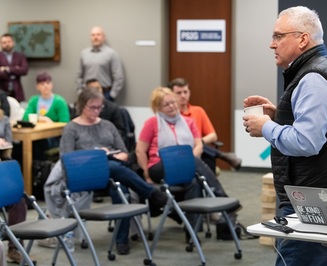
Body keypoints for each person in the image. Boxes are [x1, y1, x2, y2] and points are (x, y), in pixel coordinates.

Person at [243, 6, 327, 266]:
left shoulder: (313, 78)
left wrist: (266, 127)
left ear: (302, 39)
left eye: (278, 36)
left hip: (316, 200)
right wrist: (279, 117)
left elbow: (307, 142)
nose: (271, 44)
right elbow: (321, 131)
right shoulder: (325, 69)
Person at [59, 87, 167, 254]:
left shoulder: (107, 125)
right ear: (81, 106)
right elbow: (67, 160)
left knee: (120, 186)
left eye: (99, 107)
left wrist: (109, 155)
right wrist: (95, 157)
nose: (96, 111)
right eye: (92, 107)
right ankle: (151, 193)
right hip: (84, 174)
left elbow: (125, 153)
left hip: (113, 172)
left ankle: (121, 239)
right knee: (109, 165)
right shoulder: (71, 129)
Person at [136, 87, 234, 229]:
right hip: (158, 167)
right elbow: (140, 150)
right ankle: (222, 197)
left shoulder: (188, 122)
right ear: (158, 108)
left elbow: (198, 145)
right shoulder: (152, 123)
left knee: (194, 182)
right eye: (166, 104)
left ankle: (192, 230)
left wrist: (187, 163)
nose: (172, 106)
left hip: (183, 170)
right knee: (191, 161)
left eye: (173, 102)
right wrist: (146, 174)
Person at [168, 78, 242, 171]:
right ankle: (223, 155)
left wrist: (199, 141)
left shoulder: (198, 111)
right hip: (178, 150)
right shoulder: (169, 114)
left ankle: (211, 184)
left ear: (189, 93)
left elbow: (213, 136)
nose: (183, 96)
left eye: (185, 92)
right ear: (171, 95)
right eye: (179, 93)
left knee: (205, 154)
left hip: (198, 149)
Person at [76, 26, 124, 101]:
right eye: (93, 35)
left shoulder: (112, 54)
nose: (95, 37)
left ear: (103, 37)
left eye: (98, 34)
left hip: (105, 94)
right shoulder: (84, 54)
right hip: (87, 94)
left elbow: (118, 77)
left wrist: (111, 95)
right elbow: (78, 76)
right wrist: (80, 92)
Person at [0, 33, 29, 102]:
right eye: (4, 42)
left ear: (13, 42)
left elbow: (24, 70)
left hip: (17, 91)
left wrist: (7, 69)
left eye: (9, 42)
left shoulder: (20, 56)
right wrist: (16, 69)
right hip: (2, 90)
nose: (7, 44)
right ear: (1, 44)